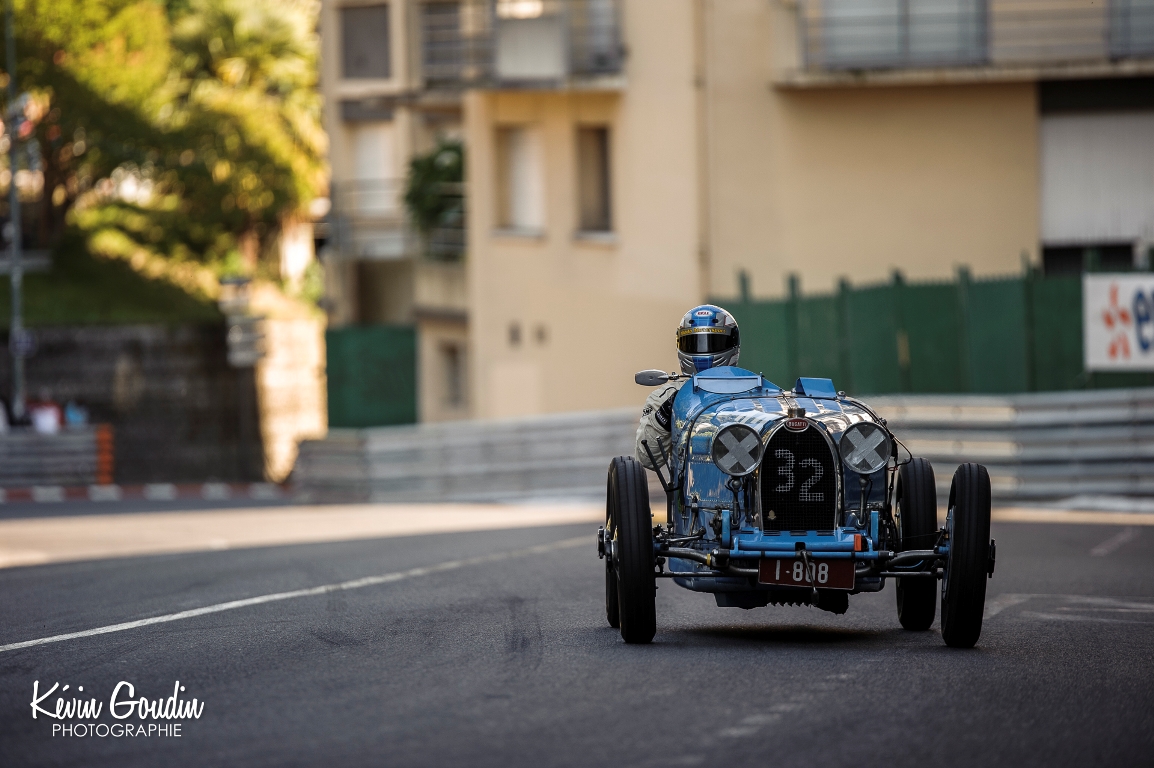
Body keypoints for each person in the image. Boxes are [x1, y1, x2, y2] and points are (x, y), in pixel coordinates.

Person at [635, 304, 740, 469]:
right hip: (688, 485)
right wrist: (664, 415)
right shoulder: (664, 397)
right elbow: (646, 459)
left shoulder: (751, 390)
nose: (702, 351)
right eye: (693, 343)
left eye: (713, 342)